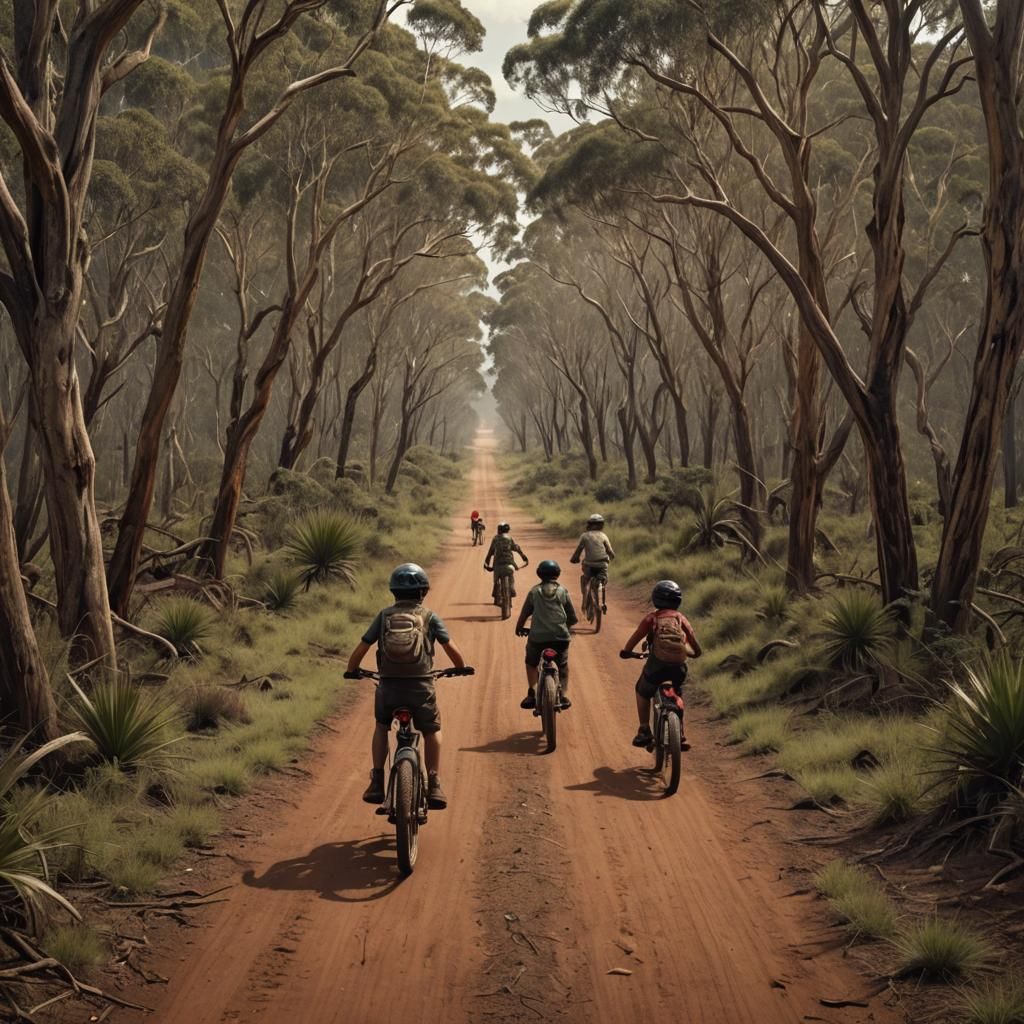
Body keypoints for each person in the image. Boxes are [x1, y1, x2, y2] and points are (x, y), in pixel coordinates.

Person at [345, 563, 467, 809]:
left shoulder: (384, 616)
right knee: (432, 730)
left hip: (389, 688)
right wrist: (461, 667)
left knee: (381, 726)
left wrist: (351, 670)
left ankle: (377, 780)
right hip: (421, 687)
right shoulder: (429, 616)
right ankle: (434, 784)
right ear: (423, 592)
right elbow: (449, 647)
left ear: (394, 592)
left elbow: (363, 646)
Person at [619, 580, 701, 748]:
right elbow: (695, 644)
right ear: (678, 600)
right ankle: (680, 733)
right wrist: (693, 653)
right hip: (679, 667)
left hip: (657, 665)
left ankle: (644, 730)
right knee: (676, 693)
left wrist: (626, 651)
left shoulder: (652, 618)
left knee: (642, 691)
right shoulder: (680, 618)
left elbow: (636, 637)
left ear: (655, 599)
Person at [514, 560, 578, 711]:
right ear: (557, 574)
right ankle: (562, 695)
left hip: (537, 639)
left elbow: (524, 613)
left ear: (539, 574)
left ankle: (532, 692)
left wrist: (519, 628)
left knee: (531, 663)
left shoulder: (534, 592)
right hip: (561, 638)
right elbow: (572, 617)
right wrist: (566, 628)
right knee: (562, 665)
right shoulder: (563, 591)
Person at [570, 513, 616, 614]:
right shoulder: (603, 536)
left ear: (589, 525)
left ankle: (584, 602)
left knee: (585, 580)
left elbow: (579, 550)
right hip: (602, 565)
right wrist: (612, 557)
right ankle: (603, 602)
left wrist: (574, 559)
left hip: (589, 565)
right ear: (601, 525)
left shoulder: (585, 536)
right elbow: (610, 551)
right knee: (603, 581)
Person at [484, 521, 528, 604]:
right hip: (510, 564)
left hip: (497, 566)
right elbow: (517, 548)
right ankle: (511, 588)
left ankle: (497, 593)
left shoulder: (495, 539)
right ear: (507, 530)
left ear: (499, 530)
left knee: (496, 581)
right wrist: (524, 558)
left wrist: (486, 564)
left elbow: (490, 553)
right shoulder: (509, 539)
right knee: (511, 576)